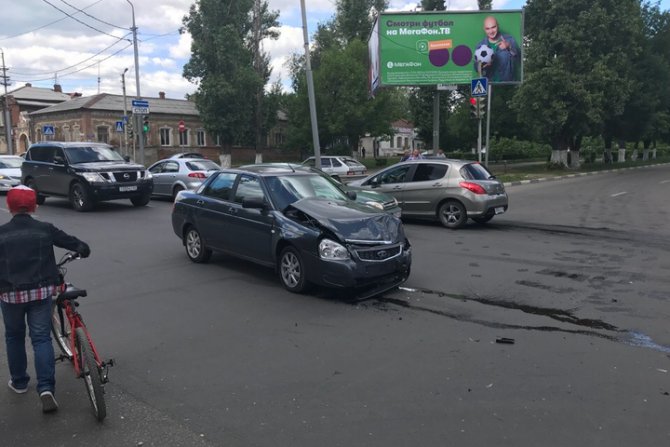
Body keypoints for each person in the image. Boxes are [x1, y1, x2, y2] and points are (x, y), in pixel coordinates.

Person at [0, 185, 90, 413]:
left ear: (9, 208)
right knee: (41, 338)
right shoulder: (45, 229)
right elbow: (75, 244)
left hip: (10, 294)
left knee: (14, 336)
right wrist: (82, 248)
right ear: (35, 206)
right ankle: (46, 388)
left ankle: (19, 383)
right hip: (40, 293)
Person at [475, 16, 520, 82]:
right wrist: (483, 66)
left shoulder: (509, 39)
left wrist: (509, 46)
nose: (491, 31)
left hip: (507, 85)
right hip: (489, 85)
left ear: (498, 26)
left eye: (493, 27)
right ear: (484, 29)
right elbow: (476, 67)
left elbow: (519, 58)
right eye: (487, 29)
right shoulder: (480, 45)